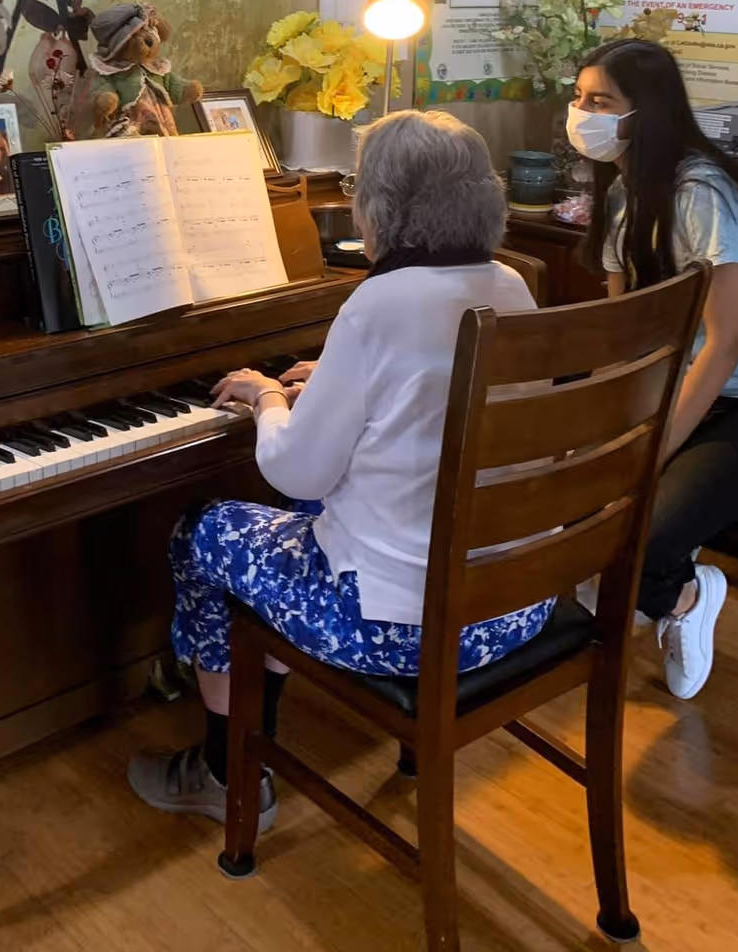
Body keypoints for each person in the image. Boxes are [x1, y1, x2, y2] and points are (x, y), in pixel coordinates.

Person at [128, 111, 553, 831]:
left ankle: (224, 772)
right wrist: (341, 382)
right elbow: (430, 386)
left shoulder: (378, 303)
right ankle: (258, 712)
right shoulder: (509, 285)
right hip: (514, 604)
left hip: (404, 629)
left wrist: (267, 396)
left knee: (200, 533)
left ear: (381, 207)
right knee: (301, 530)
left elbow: (297, 474)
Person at [571, 39, 738, 700]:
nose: (581, 114)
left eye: (600, 101)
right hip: (693, 391)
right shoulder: (622, 200)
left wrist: (650, 446)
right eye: (578, 99)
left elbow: (729, 341)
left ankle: (682, 593)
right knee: (585, 501)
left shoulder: (700, 193)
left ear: (643, 112)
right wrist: (604, 433)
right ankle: (678, 589)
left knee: (646, 532)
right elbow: (624, 335)